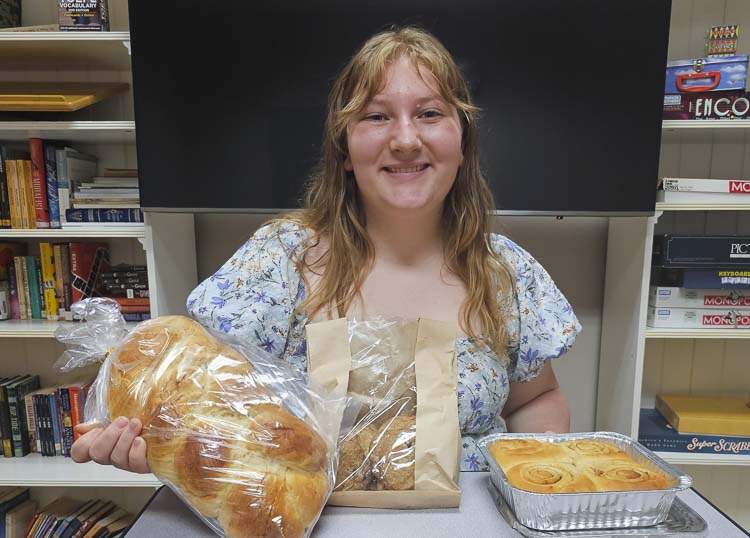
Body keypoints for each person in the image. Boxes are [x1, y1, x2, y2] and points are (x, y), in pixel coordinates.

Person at [71, 26, 581, 474]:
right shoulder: (279, 262)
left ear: (462, 142)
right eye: (377, 117)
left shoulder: (504, 272)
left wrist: (534, 483)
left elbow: (537, 399)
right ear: (343, 151)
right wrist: (145, 437)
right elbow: (201, 409)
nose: (405, 139)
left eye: (428, 113)